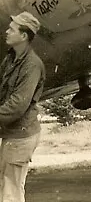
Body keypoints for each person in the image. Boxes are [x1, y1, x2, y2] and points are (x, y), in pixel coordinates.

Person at [0, 12, 45, 202]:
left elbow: (18, 104)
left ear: (24, 36)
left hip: (21, 136)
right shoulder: (11, 59)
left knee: (11, 191)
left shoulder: (32, 65)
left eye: (12, 29)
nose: (6, 32)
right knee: (7, 185)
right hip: (13, 134)